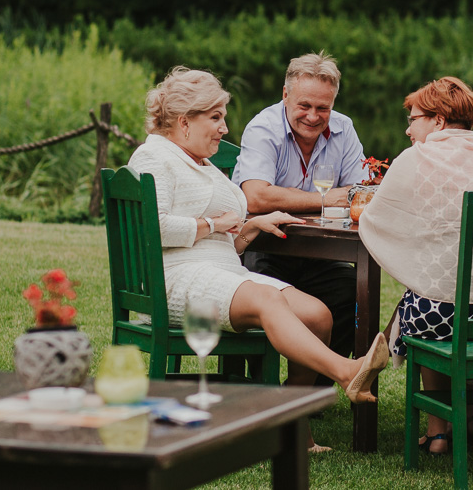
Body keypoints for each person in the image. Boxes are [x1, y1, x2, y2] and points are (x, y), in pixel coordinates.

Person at [127, 66, 388, 452]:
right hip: (177, 279)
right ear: (184, 122)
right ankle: (346, 371)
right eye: (215, 118)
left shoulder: (201, 162)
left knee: (318, 315)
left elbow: (224, 242)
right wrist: (212, 222)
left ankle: (285, 420)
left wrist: (251, 227)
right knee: (269, 299)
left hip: (219, 270)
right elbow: (153, 229)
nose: (224, 129)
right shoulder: (154, 158)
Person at [357, 77, 473, 455]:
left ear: (438, 121)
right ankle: (471, 418)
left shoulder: (419, 157)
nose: (408, 128)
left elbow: (376, 219)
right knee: (443, 290)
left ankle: (438, 431)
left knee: (423, 298)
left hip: (445, 315)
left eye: (413, 118)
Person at [231, 52, 368, 377]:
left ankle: (309, 387)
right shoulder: (263, 127)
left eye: (323, 108)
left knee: (352, 291)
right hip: (265, 246)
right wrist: (325, 200)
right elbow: (256, 195)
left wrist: (341, 197)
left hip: (321, 251)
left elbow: (359, 191)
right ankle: (259, 379)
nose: (313, 116)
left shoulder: (344, 128)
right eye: (304, 106)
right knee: (263, 287)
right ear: (285, 95)